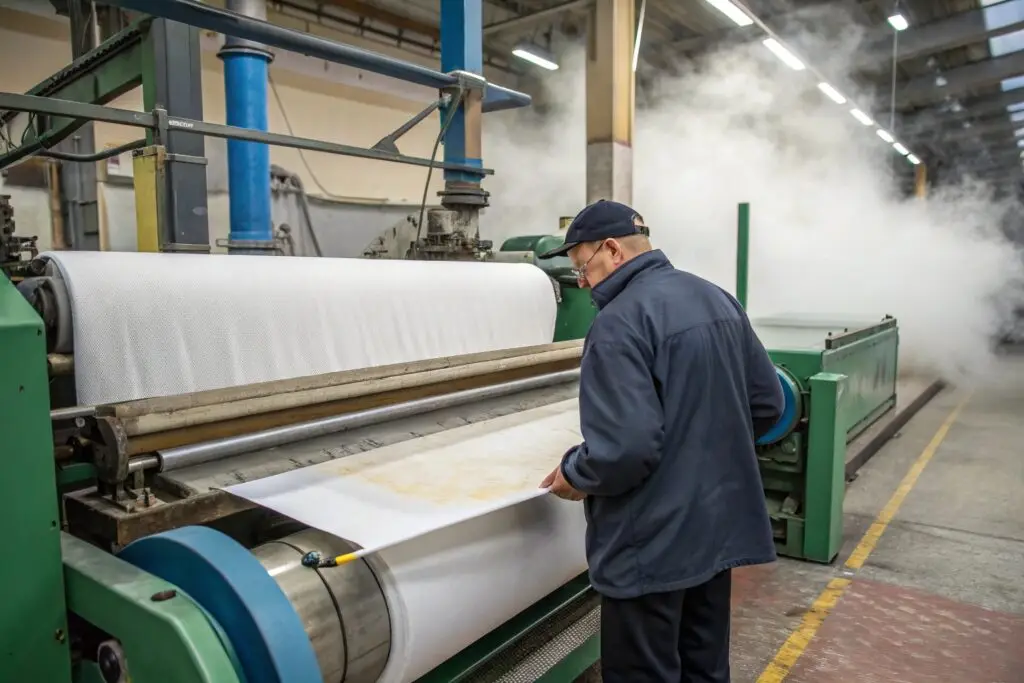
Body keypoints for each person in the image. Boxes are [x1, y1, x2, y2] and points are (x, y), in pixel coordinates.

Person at [537, 199, 784, 683]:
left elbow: (625, 450)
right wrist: (701, 450)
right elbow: (768, 405)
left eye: (582, 266)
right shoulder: (716, 298)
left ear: (612, 250)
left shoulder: (619, 323)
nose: (582, 282)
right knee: (703, 666)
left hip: (650, 545)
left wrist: (575, 473)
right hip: (717, 529)